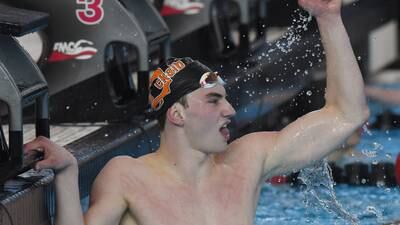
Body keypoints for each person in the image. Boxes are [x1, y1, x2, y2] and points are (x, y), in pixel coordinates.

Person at [24, 0, 369, 224]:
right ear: (177, 114)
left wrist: (329, 18)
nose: (231, 110)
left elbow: (346, 114)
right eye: (214, 100)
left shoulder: (247, 160)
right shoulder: (127, 177)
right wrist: (69, 175)